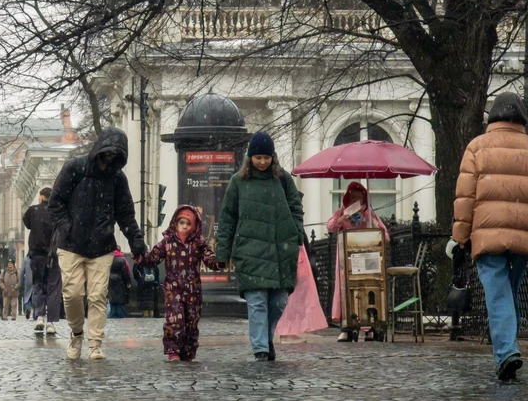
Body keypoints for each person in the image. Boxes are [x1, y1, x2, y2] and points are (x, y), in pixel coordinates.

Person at [48, 127, 146, 360]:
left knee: (98, 296)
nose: (110, 158)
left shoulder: (117, 179)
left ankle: (95, 343)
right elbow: (56, 203)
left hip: (102, 246)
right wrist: (68, 228)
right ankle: (77, 333)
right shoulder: (75, 168)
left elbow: (126, 214)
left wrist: (137, 242)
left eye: (115, 155)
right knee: (71, 294)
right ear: (99, 149)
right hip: (71, 245)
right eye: (107, 153)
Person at [453, 92, 528, 382]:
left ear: (492, 117)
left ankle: (507, 352)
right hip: (523, 236)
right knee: (509, 292)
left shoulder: (476, 147)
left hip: (487, 235)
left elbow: (465, 197)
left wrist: (461, 236)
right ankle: (507, 349)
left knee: (498, 295)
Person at [215, 131, 304, 362]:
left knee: (278, 302)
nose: (262, 162)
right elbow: (227, 218)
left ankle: (266, 338)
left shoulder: (283, 179)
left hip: (280, 251)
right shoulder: (238, 182)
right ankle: (260, 350)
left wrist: (296, 232)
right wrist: (222, 253)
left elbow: (296, 207)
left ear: (272, 157)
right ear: (250, 158)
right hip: (249, 251)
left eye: (266, 157)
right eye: (258, 158)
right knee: (257, 303)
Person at [136, 206, 217, 361]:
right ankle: (173, 350)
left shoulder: (198, 243)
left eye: (188, 223)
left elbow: (209, 258)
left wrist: (218, 262)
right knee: (174, 319)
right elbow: (153, 257)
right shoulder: (167, 242)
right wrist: (141, 257)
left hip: (193, 290)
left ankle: (188, 351)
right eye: (182, 222)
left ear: (194, 225)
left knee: (191, 321)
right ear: (176, 223)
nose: (185, 226)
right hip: (173, 289)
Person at [326, 181, 390, 341]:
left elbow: (385, 236)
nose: (355, 200)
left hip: (367, 258)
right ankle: (346, 327)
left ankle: (370, 325)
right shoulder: (341, 212)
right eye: (352, 197)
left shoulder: (371, 214)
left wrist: (372, 223)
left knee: (368, 290)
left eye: (358, 198)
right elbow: (330, 227)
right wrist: (341, 219)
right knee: (347, 291)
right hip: (346, 260)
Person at [24, 187, 62, 334]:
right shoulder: (57, 212)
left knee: (38, 285)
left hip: (37, 255)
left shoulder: (32, 211)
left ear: (40, 197)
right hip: (53, 254)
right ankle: (51, 322)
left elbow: (27, 223)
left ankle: (40, 316)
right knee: (53, 287)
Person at [107, 248, 132, 318]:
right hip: (120, 282)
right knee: (120, 300)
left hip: (110, 281)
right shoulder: (122, 260)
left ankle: (112, 315)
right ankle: (121, 316)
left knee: (112, 299)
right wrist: (128, 282)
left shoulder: (109, 259)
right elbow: (125, 273)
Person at [21, 253, 34, 319]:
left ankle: (28, 308)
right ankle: (36, 313)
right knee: (35, 295)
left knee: (27, 296)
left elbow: (22, 271)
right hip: (36, 279)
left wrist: (21, 281)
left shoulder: (25, 259)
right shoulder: (37, 257)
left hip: (28, 280)